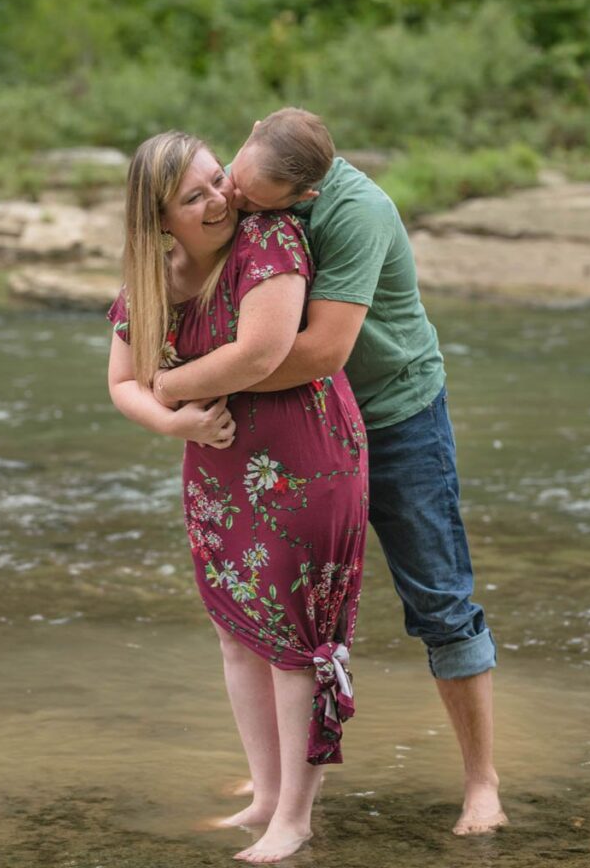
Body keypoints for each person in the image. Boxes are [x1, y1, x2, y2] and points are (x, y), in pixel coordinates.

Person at [218, 108, 507, 837]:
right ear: (248, 135)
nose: (236, 202)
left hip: (393, 414)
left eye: (255, 201)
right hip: (299, 421)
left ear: (302, 199)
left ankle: (482, 784)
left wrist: (200, 381)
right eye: (233, 181)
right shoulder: (243, 190)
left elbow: (321, 352)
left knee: (439, 602)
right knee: (275, 602)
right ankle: (272, 781)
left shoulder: (356, 213)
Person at [106, 131, 368, 864]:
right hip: (217, 469)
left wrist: (175, 382)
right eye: (195, 196)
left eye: (218, 179)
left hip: (304, 458)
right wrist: (170, 419)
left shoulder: (269, 240)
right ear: (159, 221)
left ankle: (296, 816)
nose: (221, 197)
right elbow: (121, 382)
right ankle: (262, 794)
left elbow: (260, 350)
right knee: (236, 632)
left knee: (295, 642)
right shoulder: (152, 278)